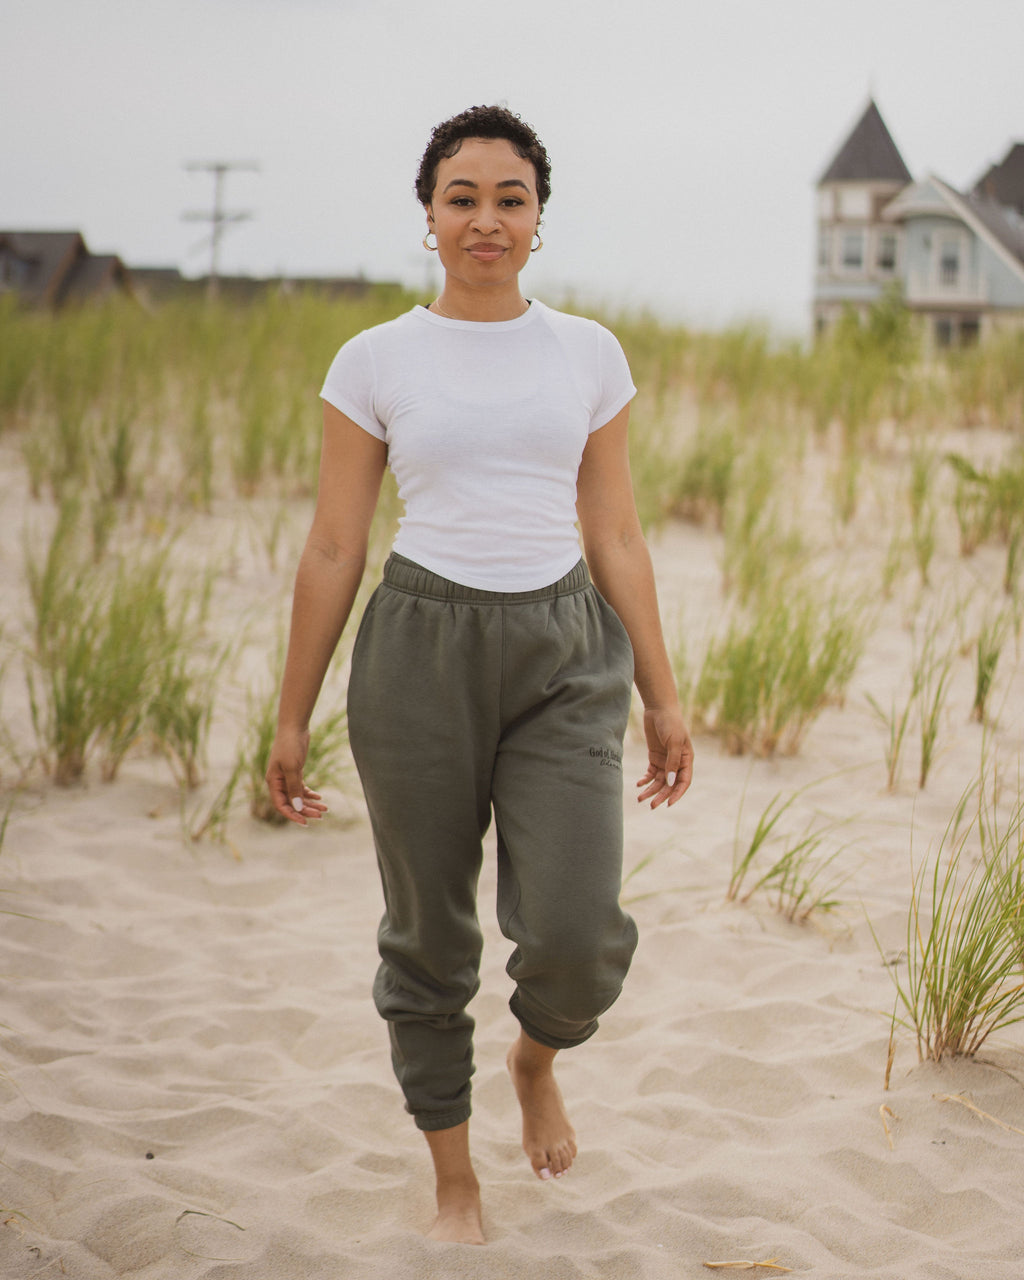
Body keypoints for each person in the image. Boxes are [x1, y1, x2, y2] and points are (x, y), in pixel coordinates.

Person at [265, 104, 693, 1246]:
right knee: (429, 934)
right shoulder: (374, 359)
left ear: (539, 219)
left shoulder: (588, 352)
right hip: (417, 648)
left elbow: (617, 536)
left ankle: (534, 1055)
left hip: (563, 647)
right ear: (428, 217)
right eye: (463, 197)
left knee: (576, 931)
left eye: (510, 198)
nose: (486, 219)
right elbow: (332, 547)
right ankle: (453, 1170)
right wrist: (291, 715)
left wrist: (660, 690)